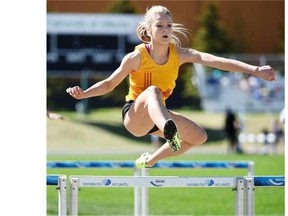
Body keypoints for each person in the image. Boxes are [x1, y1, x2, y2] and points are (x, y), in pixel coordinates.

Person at [66, 5, 276, 168]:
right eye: (159, 26)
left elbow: (216, 61)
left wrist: (255, 71)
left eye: (169, 25)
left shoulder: (180, 54)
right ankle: (169, 130)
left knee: (198, 137)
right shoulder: (136, 57)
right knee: (152, 91)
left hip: (159, 117)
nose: (165, 29)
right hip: (134, 117)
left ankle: (150, 160)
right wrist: (84, 94)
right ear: (148, 30)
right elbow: (109, 84)